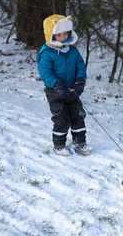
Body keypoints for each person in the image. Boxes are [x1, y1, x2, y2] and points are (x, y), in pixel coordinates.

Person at [37, 14, 92, 156]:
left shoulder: (72, 50)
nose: (63, 37)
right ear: (52, 35)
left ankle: (80, 142)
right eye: (59, 34)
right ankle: (59, 145)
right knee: (61, 118)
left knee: (78, 115)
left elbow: (80, 65)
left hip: (72, 89)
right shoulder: (47, 53)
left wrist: (80, 80)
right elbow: (45, 73)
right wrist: (57, 85)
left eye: (66, 33)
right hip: (56, 92)